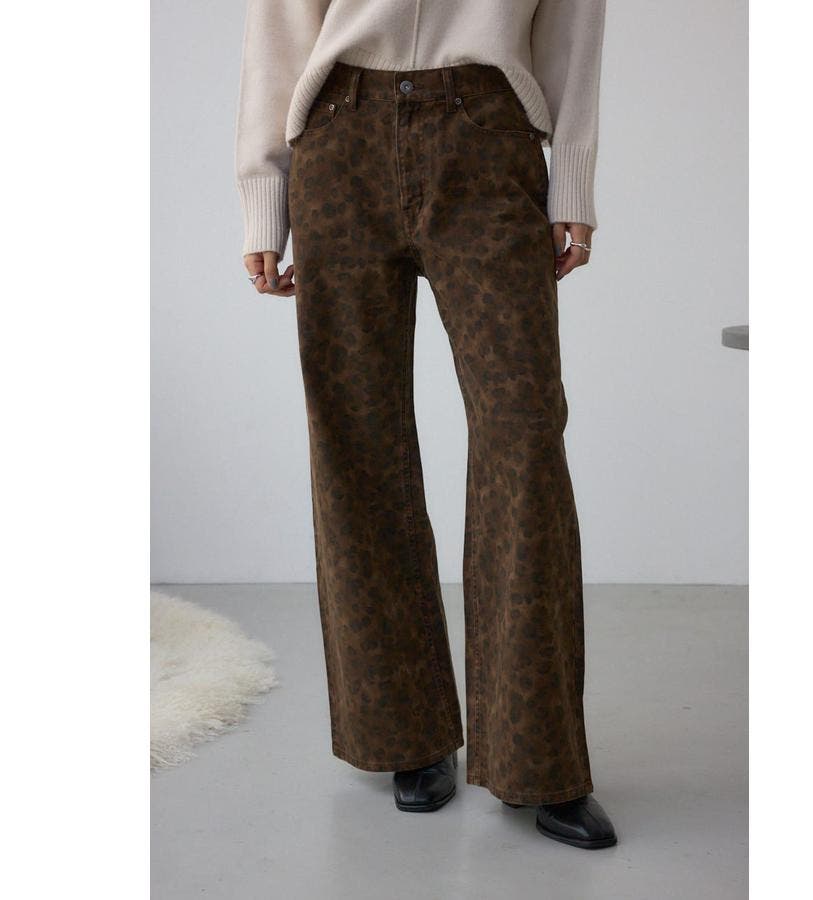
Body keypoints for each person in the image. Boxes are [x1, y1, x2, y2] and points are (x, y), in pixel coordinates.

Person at [236, 0, 616, 850]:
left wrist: (572, 178)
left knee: (523, 434)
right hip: (338, 138)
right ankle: (405, 734)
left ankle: (540, 758)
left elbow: (574, 25)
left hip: (487, 135)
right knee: (356, 441)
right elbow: (280, 25)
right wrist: (264, 192)